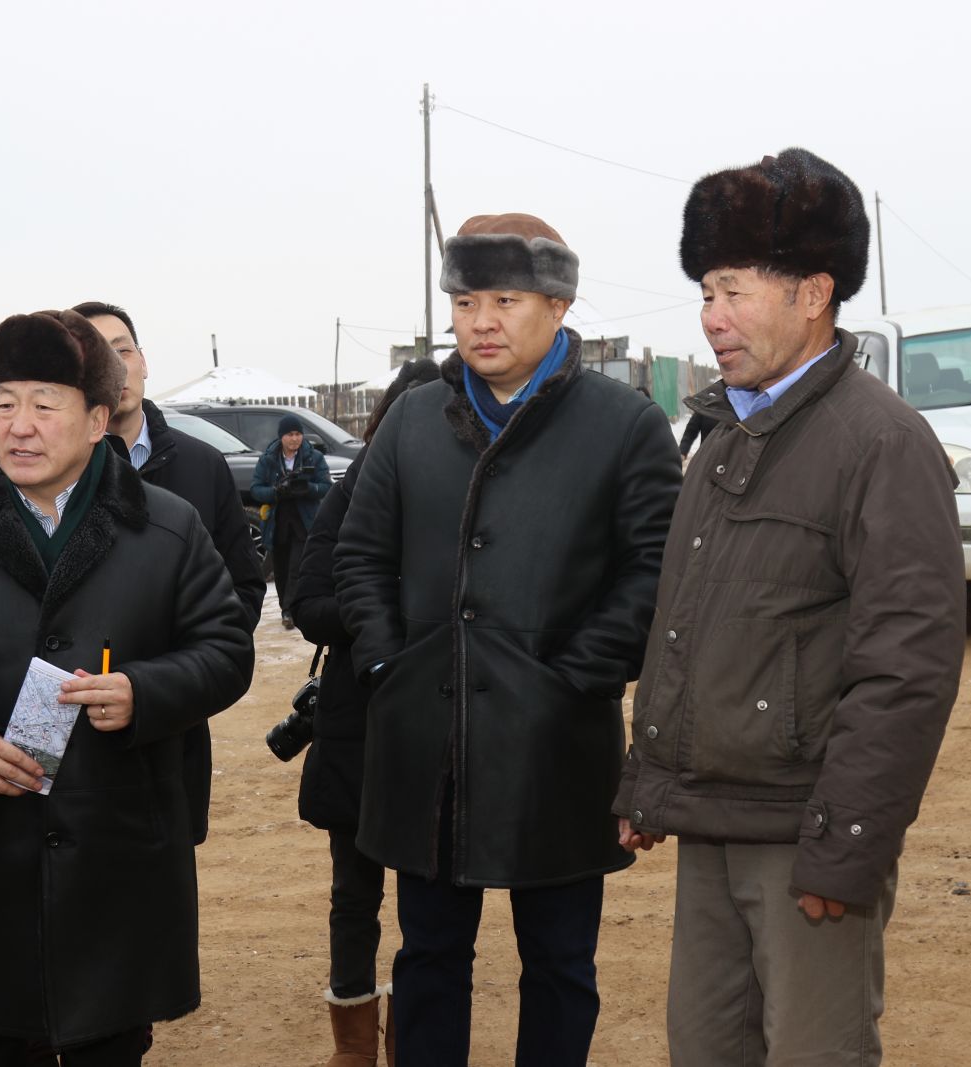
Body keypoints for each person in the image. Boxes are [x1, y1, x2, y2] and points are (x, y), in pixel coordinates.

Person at [613, 148, 966, 1067]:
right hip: (712, 828)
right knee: (703, 1049)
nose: (711, 316)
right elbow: (687, 625)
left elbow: (907, 667)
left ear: (813, 293)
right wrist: (650, 779)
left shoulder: (881, 441)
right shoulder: (721, 434)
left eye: (733, 290)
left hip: (806, 840)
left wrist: (846, 845)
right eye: (705, 292)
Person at [335, 213, 681, 1065]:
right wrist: (387, 663)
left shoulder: (625, 424)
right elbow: (360, 554)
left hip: (556, 743)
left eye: (504, 300)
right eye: (464, 302)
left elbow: (654, 573)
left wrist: (573, 677)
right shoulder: (414, 419)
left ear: (558, 306)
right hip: (427, 740)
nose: (481, 321)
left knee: (560, 962)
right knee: (428, 956)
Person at [0, 309, 254, 1065]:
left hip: (118, 846)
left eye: (45, 405)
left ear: (97, 420)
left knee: (110, 1042)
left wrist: (144, 691)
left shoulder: (168, 529)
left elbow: (226, 647)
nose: (19, 427)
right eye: (4, 403)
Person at [289, 358, 439, 1066]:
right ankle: (352, 1042)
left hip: (437, 721)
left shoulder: (467, 492)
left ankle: (416, 1033)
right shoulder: (351, 493)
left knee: (431, 900)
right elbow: (307, 603)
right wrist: (384, 616)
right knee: (354, 891)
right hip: (358, 721)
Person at [75, 300, 266, 856]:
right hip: (79, 716)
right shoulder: (56, 473)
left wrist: (184, 669)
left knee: (168, 871)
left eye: (123, 351)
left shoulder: (202, 465)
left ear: (143, 361)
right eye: (95, 355)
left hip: (173, 718)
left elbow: (243, 587)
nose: (115, 368)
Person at [252, 413, 330, 628]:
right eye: (290, 434)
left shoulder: (314, 457)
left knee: (297, 566)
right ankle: (285, 608)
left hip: (304, 522)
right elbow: (256, 489)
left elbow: (326, 486)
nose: (295, 439)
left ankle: (290, 610)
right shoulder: (268, 459)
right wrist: (276, 491)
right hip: (277, 523)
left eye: (298, 434)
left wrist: (308, 488)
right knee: (281, 569)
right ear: (281, 436)